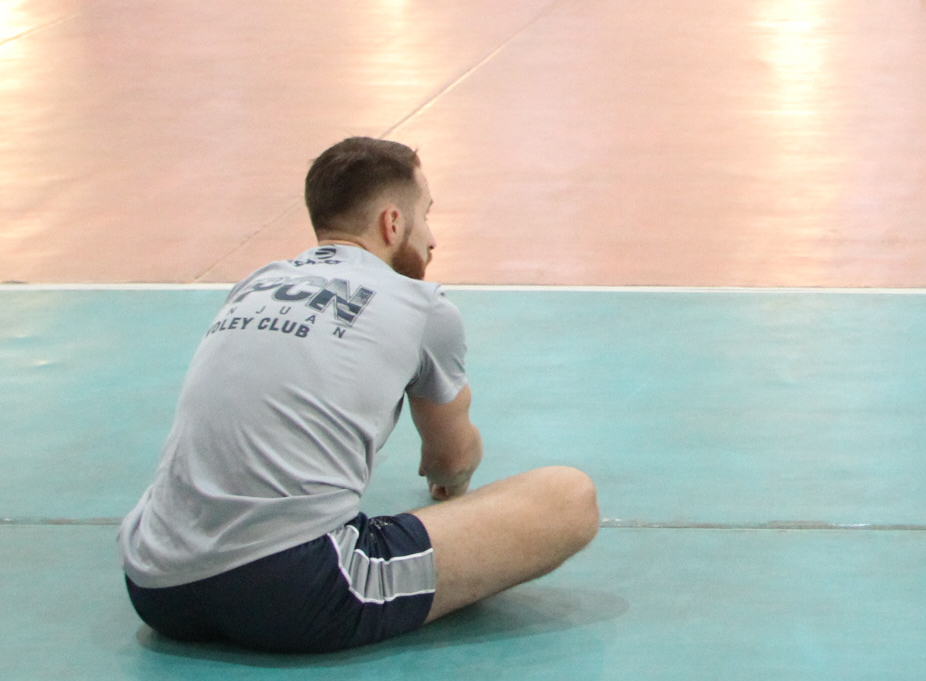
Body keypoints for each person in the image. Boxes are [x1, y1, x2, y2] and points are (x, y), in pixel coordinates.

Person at [120, 138, 599, 654]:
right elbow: (452, 460)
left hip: (155, 583)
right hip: (295, 593)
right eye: (425, 216)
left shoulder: (257, 283)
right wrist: (452, 489)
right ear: (392, 223)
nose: (432, 238)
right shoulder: (423, 306)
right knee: (569, 497)